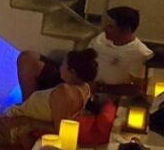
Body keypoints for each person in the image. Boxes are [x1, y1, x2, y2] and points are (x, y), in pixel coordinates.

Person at [17, 6, 152, 99]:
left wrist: (100, 88)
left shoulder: (140, 54)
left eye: (110, 26)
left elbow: (138, 90)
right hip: (76, 77)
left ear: (126, 29)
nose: (104, 29)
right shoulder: (102, 38)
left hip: (93, 92)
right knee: (28, 58)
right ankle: (26, 107)